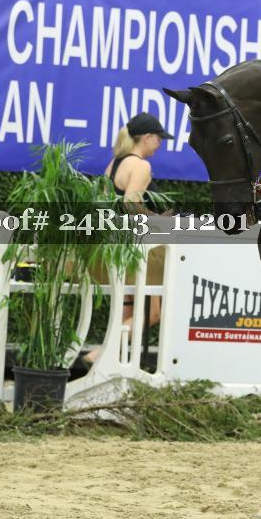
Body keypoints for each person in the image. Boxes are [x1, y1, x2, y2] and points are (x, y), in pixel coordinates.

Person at [85, 113, 173, 364]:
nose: (160, 145)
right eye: (159, 139)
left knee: (127, 313)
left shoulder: (114, 164)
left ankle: (109, 365)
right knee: (151, 313)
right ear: (147, 138)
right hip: (136, 248)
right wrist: (160, 221)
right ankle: (100, 354)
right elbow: (131, 204)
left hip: (116, 248)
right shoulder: (141, 166)